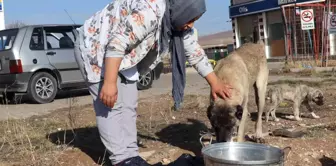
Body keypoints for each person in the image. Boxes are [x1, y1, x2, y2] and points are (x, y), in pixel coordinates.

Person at [74, 0, 232, 165]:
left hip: (124, 54)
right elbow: (117, 43)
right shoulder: (150, 11)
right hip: (96, 46)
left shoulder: (176, 21)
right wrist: (109, 82)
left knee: (128, 104)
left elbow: (194, 51)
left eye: (194, 20)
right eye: (190, 19)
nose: (190, 25)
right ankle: (121, 159)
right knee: (110, 106)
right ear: (182, 10)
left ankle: (130, 154)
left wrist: (215, 82)